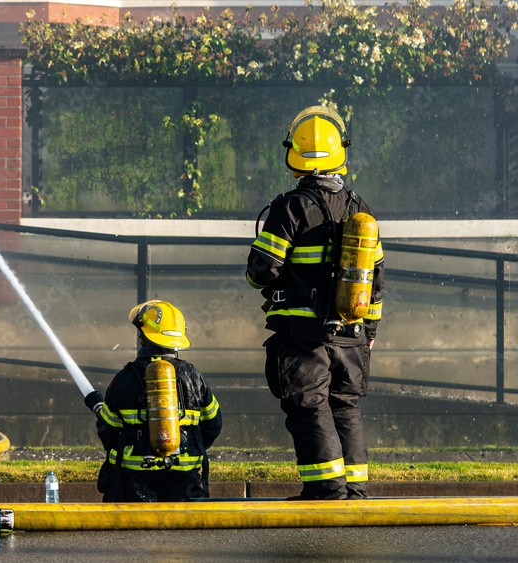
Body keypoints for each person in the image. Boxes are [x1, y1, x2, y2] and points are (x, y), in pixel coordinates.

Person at [245, 105, 384, 500]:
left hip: (304, 336)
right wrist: (368, 332)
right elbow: (375, 282)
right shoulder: (362, 210)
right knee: (345, 406)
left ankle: (326, 488)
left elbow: (261, 271)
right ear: (340, 154)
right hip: (352, 336)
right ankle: (353, 487)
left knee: (310, 407)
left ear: (296, 158)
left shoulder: (290, 208)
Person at [82, 300, 222, 502]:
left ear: (143, 338)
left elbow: (108, 433)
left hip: (134, 478)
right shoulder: (194, 376)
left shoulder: (124, 378)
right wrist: (186, 447)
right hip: (184, 480)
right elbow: (213, 425)